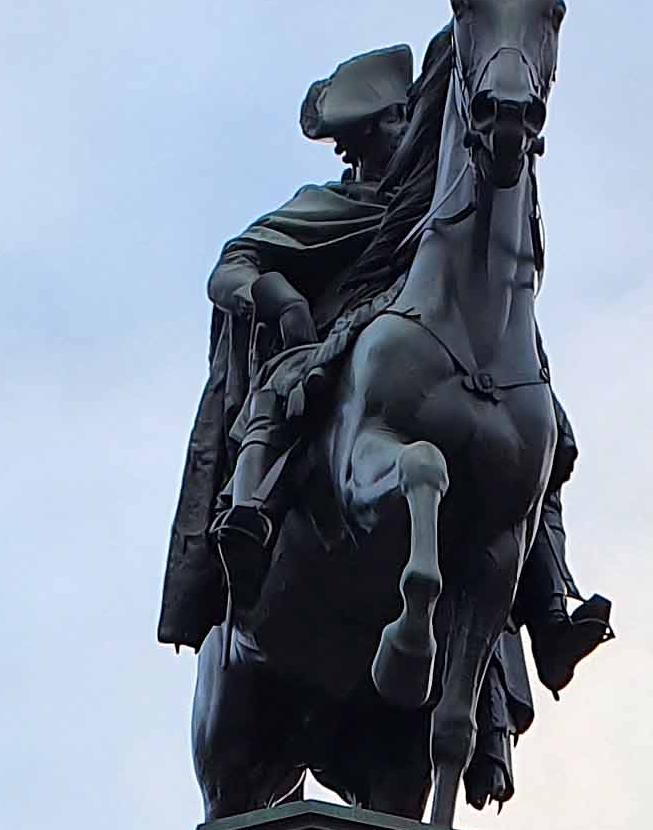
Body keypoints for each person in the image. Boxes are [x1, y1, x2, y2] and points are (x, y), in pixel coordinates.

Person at [159, 38, 613, 697]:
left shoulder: (440, 209)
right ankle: (249, 515)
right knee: (281, 391)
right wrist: (281, 298)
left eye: (410, 114)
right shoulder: (328, 207)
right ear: (363, 139)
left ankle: (548, 613)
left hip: (445, 355)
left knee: (534, 438)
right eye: (396, 119)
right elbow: (233, 267)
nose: (411, 128)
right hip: (331, 344)